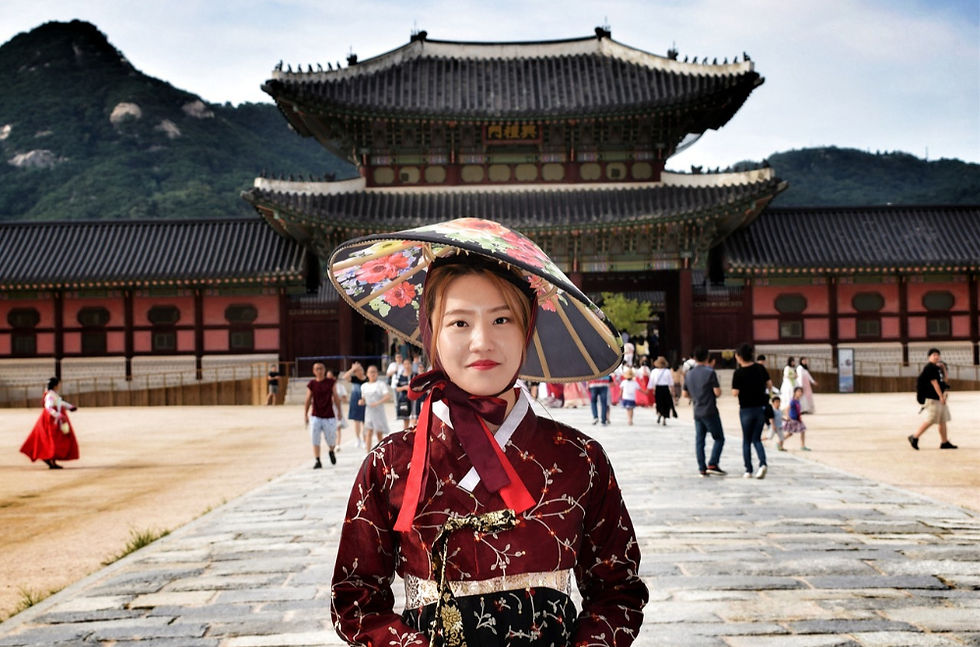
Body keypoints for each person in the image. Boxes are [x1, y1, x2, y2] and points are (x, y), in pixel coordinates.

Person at [328, 218, 647, 646]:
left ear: (527, 329)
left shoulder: (581, 458)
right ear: (431, 333)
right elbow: (355, 601)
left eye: (501, 320)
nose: (482, 342)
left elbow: (618, 592)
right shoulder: (389, 464)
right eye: (459, 323)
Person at [683, 347, 726, 477]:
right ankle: (713, 463)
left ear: (694, 358)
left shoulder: (689, 374)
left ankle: (701, 467)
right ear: (707, 357)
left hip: (697, 410)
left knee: (700, 440)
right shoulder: (710, 372)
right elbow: (717, 392)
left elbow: (685, 394)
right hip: (710, 409)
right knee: (719, 438)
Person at [20, 377, 80, 469]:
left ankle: (51, 460)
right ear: (55, 385)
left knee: (53, 440)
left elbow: (60, 403)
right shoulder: (50, 395)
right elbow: (49, 407)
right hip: (51, 421)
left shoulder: (52, 394)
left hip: (53, 420)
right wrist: (57, 415)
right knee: (53, 440)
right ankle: (50, 460)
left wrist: (70, 407)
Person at [732, 343, 772, 479]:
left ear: (740, 356)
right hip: (760, 408)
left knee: (746, 440)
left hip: (746, 409)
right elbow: (770, 384)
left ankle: (748, 470)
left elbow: (734, 392)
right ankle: (762, 464)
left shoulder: (738, 373)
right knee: (757, 439)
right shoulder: (760, 368)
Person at [909, 348, 958, 450]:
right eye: (934, 355)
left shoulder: (938, 368)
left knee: (942, 420)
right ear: (929, 357)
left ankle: (944, 442)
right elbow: (934, 383)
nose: (936, 357)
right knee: (931, 419)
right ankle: (914, 437)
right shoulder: (929, 368)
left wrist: (944, 369)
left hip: (939, 398)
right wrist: (941, 396)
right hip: (932, 398)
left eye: (937, 355)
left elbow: (945, 380)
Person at [303, 362, 342, 469]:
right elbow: (307, 399)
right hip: (316, 415)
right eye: (317, 369)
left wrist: (339, 411)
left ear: (324, 370)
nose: (319, 371)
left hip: (329, 415)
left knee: (331, 438)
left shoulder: (330, 382)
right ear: (313, 371)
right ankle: (318, 460)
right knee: (315, 438)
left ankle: (331, 450)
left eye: (321, 368)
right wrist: (305, 414)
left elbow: (336, 397)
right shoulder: (312, 384)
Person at [359, 364, 392, 446]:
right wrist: (361, 401)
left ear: (377, 373)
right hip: (369, 412)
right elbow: (363, 398)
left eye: (374, 372)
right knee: (369, 432)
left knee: (379, 433)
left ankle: (381, 452)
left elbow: (387, 396)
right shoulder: (364, 386)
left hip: (378, 412)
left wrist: (377, 403)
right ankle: (368, 453)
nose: (372, 374)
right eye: (370, 372)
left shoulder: (380, 384)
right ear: (367, 374)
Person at [341, 362, 367, 448]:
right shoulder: (354, 379)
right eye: (357, 370)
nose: (360, 372)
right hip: (355, 401)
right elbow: (344, 377)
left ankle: (364, 440)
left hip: (365, 401)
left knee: (365, 422)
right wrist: (352, 369)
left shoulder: (367, 379)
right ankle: (358, 439)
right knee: (356, 422)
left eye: (361, 369)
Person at [648, 356, 673, 425]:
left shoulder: (654, 371)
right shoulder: (667, 371)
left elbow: (651, 381)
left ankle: (659, 413)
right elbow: (670, 382)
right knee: (665, 404)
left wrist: (650, 389)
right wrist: (672, 391)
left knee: (659, 403)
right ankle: (664, 419)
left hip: (658, 389)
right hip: (665, 389)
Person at [782, 386, 810, 450]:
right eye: (798, 391)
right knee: (791, 433)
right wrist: (788, 417)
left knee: (799, 431)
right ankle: (779, 442)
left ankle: (802, 445)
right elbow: (786, 409)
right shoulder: (793, 401)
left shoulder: (797, 400)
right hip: (793, 419)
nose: (800, 393)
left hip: (797, 419)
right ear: (794, 392)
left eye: (801, 392)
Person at [394, 357, 418, 430]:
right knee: (405, 420)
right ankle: (405, 437)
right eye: (405, 364)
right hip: (404, 400)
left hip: (414, 400)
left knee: (415, 419)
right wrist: (404, 387)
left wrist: (413, 389)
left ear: (411, 364)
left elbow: (420, 387)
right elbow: (397, 388)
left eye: (408, 364)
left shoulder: (415, 375)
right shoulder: (400, 376)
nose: (407, 365)